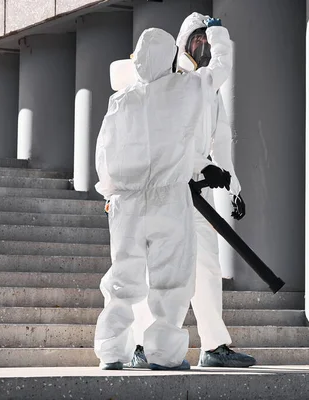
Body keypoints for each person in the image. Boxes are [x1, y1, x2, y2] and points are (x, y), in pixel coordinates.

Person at [93, 21, 233, 371]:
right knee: (171, 281)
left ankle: (111, 352)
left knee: (124, 279)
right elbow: (220, 69)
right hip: (169, 198)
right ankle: (164, 355)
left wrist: (110, 192)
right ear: (173, 56)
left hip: (125, 203)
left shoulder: (121, 100)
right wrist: (217, 34)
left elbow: (104, 153)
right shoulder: (185, 88)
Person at [123, 12, 256, 369]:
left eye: (206, 39)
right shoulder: (174, 81)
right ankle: (141, 344)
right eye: (197, 39)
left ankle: (214, 346)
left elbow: (221, 137)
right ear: (183, 44)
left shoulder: (208, 89)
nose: (203, 46)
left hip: (200, 192)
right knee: (159, 269)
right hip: (167, 189)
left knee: (208, 269)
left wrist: (233, 187)